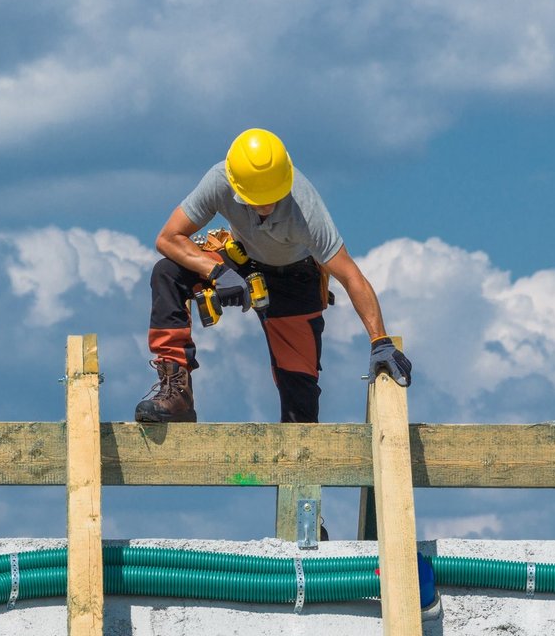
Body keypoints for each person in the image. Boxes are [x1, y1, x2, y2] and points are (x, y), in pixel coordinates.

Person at [134, 128, 412, 423]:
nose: (266, 207)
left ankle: (300, 460)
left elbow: (351, 275)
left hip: (294, 279)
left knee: (300, 407)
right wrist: (216, 271)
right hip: (240, 260)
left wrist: (379, 340)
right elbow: (168, 238)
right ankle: (177, 393)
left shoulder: (305, 208)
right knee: (168, 272)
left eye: (272, 199)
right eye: (257, 200)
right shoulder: (220, 180)